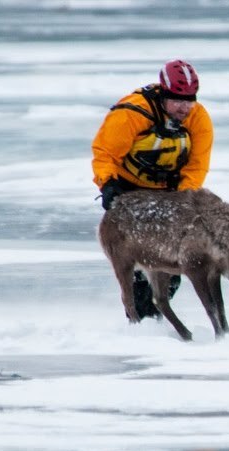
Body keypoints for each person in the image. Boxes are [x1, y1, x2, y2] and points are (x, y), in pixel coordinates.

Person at [91, 59, 213, 318]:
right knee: (138, 262)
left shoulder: (198, 118)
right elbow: (105, 154)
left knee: (173, 263)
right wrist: (108, 184)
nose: (185, 107)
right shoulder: (132, 113)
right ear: (163, 95)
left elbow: (197, 165)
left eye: (190, 99)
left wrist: (184, 199)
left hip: (169, 194)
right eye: (178, 100)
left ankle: (157, 314)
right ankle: (140, 319)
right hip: (129, 191)